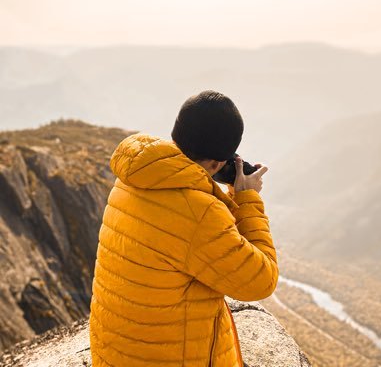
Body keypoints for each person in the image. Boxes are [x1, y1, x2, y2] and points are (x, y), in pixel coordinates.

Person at [88, 89, 279, 366]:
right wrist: (247, 198)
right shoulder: (199, 211)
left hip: (116, 355)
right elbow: (262, 280)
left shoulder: (134, 178)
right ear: (216, 163)